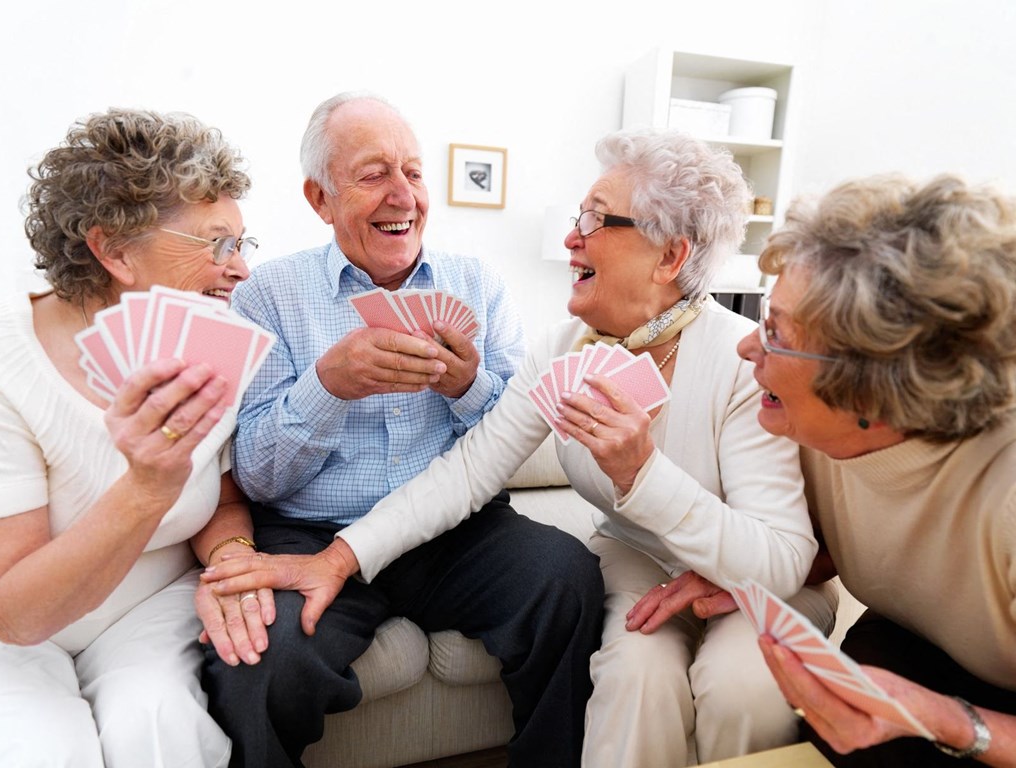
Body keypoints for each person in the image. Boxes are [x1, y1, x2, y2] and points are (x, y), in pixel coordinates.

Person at [205, 126, 835, 766]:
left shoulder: (742, 360)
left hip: (754, 575)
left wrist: (640, 472)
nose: (570, 237)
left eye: (594, 219)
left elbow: (784, 557)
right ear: (321, 198)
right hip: (638, 560)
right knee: (633, 676)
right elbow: (471, 469)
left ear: (671, 257)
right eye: (577, 216)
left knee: (739, 688)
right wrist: (337, 554)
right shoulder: (567, 349)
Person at [198, 91, 604, 768]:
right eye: (373, 174)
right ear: (320, 199)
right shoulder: (264, 297)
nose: (403, 195)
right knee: (255, 664)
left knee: (567, 578)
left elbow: (516, 435)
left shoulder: (477, 285)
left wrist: (465, 386)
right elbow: (259, 476)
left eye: (413, 173)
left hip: (454, 530)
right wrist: (327, 388)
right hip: (311, 532)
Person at [0, 108, 268, 768]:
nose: (241, 271)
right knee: (40, 749)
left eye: (242, 243)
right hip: (20, 627)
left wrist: (232, 556)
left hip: (150, 606)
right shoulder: (6, 364)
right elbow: (15, 615)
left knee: (157, 727)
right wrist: (147, 488)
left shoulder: (214, 337)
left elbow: (223, 497)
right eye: (217, 245)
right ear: (113, 251)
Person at [733, 174, 1016, 766]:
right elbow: (851, 539)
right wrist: (734, 569)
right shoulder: (808, 428)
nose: (748, 348)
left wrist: (952, 721)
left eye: (776, 333)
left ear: (873, 392)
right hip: (910, 659)